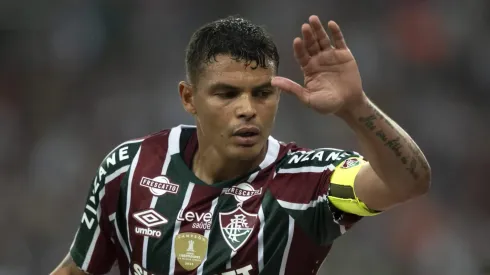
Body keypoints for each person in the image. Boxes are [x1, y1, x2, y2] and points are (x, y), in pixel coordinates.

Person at [51, 15, 431, 275]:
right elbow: (77, 270)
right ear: (189, 98)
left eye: (263, 93)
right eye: (227, 94)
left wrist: (355, 107)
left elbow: (408, 182)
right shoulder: (128, 169)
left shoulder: (307, 183)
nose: (247, 110)